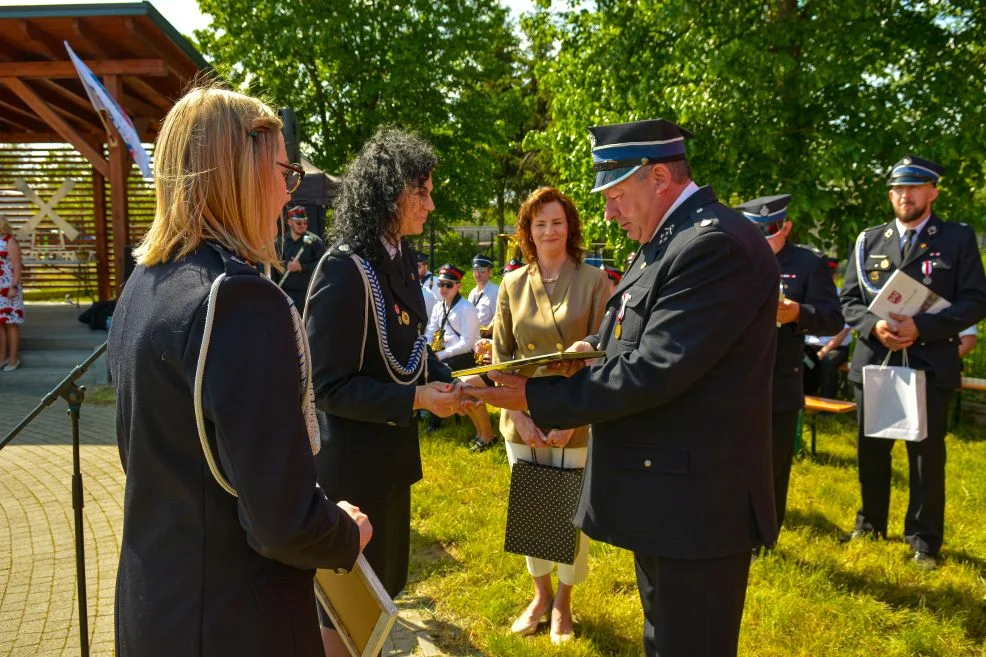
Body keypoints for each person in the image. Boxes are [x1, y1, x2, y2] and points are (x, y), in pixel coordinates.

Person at [469, 118, 779, 657]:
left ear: (658, 176)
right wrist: (590, 348)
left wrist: (532, 397)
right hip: (672, 498)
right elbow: (637, 336)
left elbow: (654, 369)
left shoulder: (712, 245)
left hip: (698, 505)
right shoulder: (672, 240)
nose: (608, 211)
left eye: (614, 194)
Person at [106, 84, 370, 657]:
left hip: (156, 609)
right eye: (284, 171)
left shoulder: (141, 288)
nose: (286, 191)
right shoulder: (240, 302)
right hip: (234, 619)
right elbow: (282, 523)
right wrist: (346, 532)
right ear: (239, 169)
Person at [305, 128, 468, 624]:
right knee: (349, 614)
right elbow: (327, 387)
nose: (431, 204)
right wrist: (417, 400)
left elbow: (412, 349)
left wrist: (458, 381)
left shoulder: (399, 260)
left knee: (388, 590)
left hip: (393, 463)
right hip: (353, 473)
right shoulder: (344, 269)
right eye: (422, 191)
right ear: (388, 190)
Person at [839, 154, 986, 570]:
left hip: (928, 360)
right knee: (871, 450)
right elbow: (849, 300)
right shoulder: (869, 240)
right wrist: (873, 326)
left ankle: (923, 540)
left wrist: (922, 328)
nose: (906, 195)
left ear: (932, 192)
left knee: (925, 456)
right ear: (891, 194)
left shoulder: (956, 238)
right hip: (876, 360)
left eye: (915, 187)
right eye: (899, 188)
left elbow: (977, 299)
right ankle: (869, 525)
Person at [493, 186, 610, 644]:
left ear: (571, 226)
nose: (549, 231)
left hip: (573, 416)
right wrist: (520, 416)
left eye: (557, 222)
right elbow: (500, 358)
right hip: (522, 416)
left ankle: (564, 602)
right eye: (539, 223)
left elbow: (606, 356)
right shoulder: (511, 283)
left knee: (569, 515)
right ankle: (539, 596)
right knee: (533, 509)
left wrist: (573, 421)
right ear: (527, 230)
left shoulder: (595, 281)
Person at [735, 194, 843, 535]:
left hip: (779, 379)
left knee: (773, 463)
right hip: (735, 380)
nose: (765, 238)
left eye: (772, 230)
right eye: (756, 231)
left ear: (787, 226)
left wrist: (798, 313)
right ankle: (733, 527)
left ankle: (764, 532)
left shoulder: (809, 264)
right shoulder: (733, 260)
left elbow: (832, 319)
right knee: (734, 461)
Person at [424, 263, 495, 450]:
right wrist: (425, 349)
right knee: (428, 367)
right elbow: (430, 331)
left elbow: (467, 343)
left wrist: (440, 355)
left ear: (458, 286)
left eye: (448, 285)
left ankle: (439, 418)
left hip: (468, 356)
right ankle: (437, 414)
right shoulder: (439, 306)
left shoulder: (466, 308)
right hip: (445, 354)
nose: (443, 289)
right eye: (440, 284)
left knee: (443, 372)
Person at [276, 204, 326, 313]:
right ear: (289, 222)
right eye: (298, 223)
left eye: (305, 222)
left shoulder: (314, 241)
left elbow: (324, 265)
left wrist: (301, 267)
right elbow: (272, 267)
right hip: (284, 295)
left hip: (307, 296)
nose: (303, 225)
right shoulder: (280, 243)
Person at [0, 216, 24, 371]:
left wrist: (13, 287)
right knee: (1, 324)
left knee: (11, 324)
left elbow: (17, 266)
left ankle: (13, 360)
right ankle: (2, 358)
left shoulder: (10, 241)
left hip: (9, 289)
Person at [468, 253, 499, 333]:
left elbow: (499, 317)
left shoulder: (495, 291)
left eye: (481, 270)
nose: (477, 274)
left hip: (487, 338)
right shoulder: (472, 292)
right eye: (475, 270)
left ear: (490, 272)